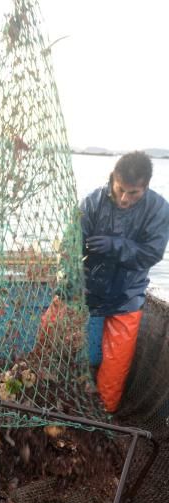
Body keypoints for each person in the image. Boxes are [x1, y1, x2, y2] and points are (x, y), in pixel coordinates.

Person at [80, 150, 169, 412]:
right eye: (120, 190)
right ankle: (44, 390)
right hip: (88, 284)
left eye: (133, 193)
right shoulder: (92, 202)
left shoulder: (159, 209)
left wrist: (115, 245)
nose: (124, 199)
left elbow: (151, 253)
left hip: (127, 292)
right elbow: (69, 243)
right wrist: (72, 273)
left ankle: (103, 414)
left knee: (117, 361)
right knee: (53, 330)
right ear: (112, 179)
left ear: (146, 187)